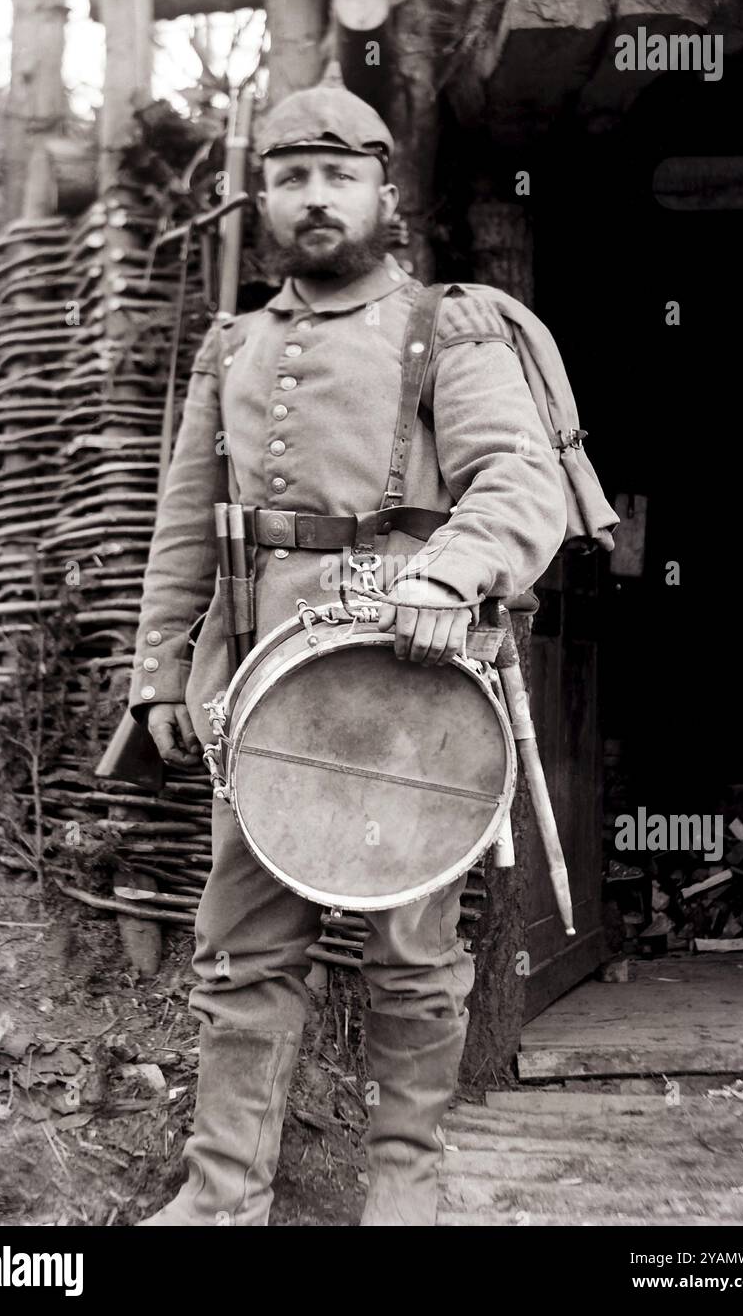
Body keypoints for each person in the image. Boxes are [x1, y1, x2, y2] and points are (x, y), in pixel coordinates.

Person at [131, 85, 567, 1226]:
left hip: (405, 694)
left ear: (385, 193)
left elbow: (519, 487)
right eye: (291, 179)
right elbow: (186, 523)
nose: (314, 199)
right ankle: (222, 1197)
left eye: (338, 177)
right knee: (240, 954)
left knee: (416, 960)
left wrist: (446, 573)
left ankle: (407, 1191)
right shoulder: (234, 344)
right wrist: (157, 672)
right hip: (263, 694)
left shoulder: (448, 327)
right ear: (264, 200)